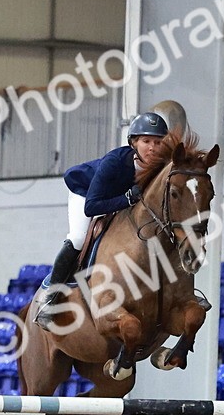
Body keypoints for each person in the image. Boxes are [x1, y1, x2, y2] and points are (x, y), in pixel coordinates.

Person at [35, 111, 169, 327]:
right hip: (86, 192)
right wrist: (126, 199)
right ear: (134, 142)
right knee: (78, 238)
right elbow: (92, 207)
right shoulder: (114, 162)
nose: (152, 147)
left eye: (158, 142)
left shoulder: (163, 167)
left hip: (120, 200)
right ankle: (50, 295)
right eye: (146, 141)